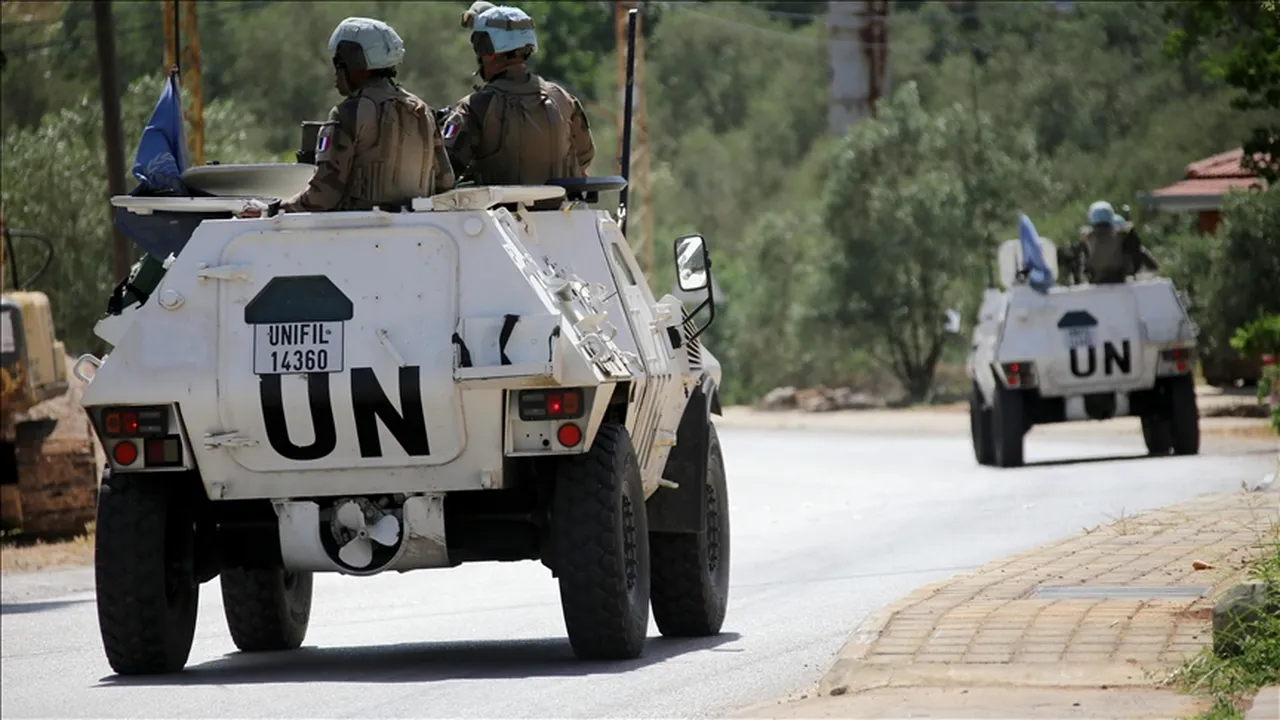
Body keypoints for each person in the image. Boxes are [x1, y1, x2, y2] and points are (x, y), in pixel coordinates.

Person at [265, 17, 454, 215]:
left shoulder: (349, 113)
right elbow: (446, 181)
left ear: (356, 64)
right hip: (418, 235)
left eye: (339, 62)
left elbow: (322, 197)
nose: (336, 71)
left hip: (356, 235)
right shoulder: (422, 111)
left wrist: (275, 208)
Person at [440, 5, 596, 186]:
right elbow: (585, 156)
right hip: (558, 211)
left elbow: (445, 170)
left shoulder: (476, 106)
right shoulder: (562, 98)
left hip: (495, 213)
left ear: (486, 50)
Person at [1078, 200, 1159, 284]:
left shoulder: (1087, 237)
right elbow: (1137, 256)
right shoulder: (1123, 235)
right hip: (1118, 277)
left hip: (1097, 279)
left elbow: (1084, 262)